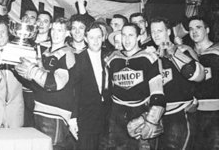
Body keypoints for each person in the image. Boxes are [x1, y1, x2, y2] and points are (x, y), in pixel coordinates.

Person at [16, 17, 76, 150]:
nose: (55, 33)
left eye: (60, 30)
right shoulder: (44, 51)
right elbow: (36, 84)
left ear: (67, 33)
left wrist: (32, 71)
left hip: (56, 113)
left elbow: (55, 84)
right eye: (53, 29)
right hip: (39, 108)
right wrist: (23, 72)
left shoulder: (67, 54)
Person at [106, 23, 165, 150]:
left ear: (139, 37)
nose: (126, 39)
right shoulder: (113, 59)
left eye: (131, 35)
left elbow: (158, 93)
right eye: (124, 35)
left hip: (140, 112)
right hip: (116, 115)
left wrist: (151, 120)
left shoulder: (148, 57)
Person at [150, 17, 204, 150]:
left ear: (168, 32)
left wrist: (175, 53)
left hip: (180, 115)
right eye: (153, 31)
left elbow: (199, 76)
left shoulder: (184, 50)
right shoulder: (151, 56)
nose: (156, 34)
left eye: (160, 31)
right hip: (159, 118)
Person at [72, 22, 111, 150]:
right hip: (85, 118)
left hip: (106, 117)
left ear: (103, 38)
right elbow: (74, 91)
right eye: (92, 37)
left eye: (99, 37)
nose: (95, 41)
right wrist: (73, 117)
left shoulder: (110, 57)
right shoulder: (77, 60)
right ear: (85, 39)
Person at [188, 16, 219, 149]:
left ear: (207, 30)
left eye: (198, 27)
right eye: (190, 29)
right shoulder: (186, 54)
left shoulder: (217, 51)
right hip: (192, 113)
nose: (194, 31)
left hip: (215, 113)